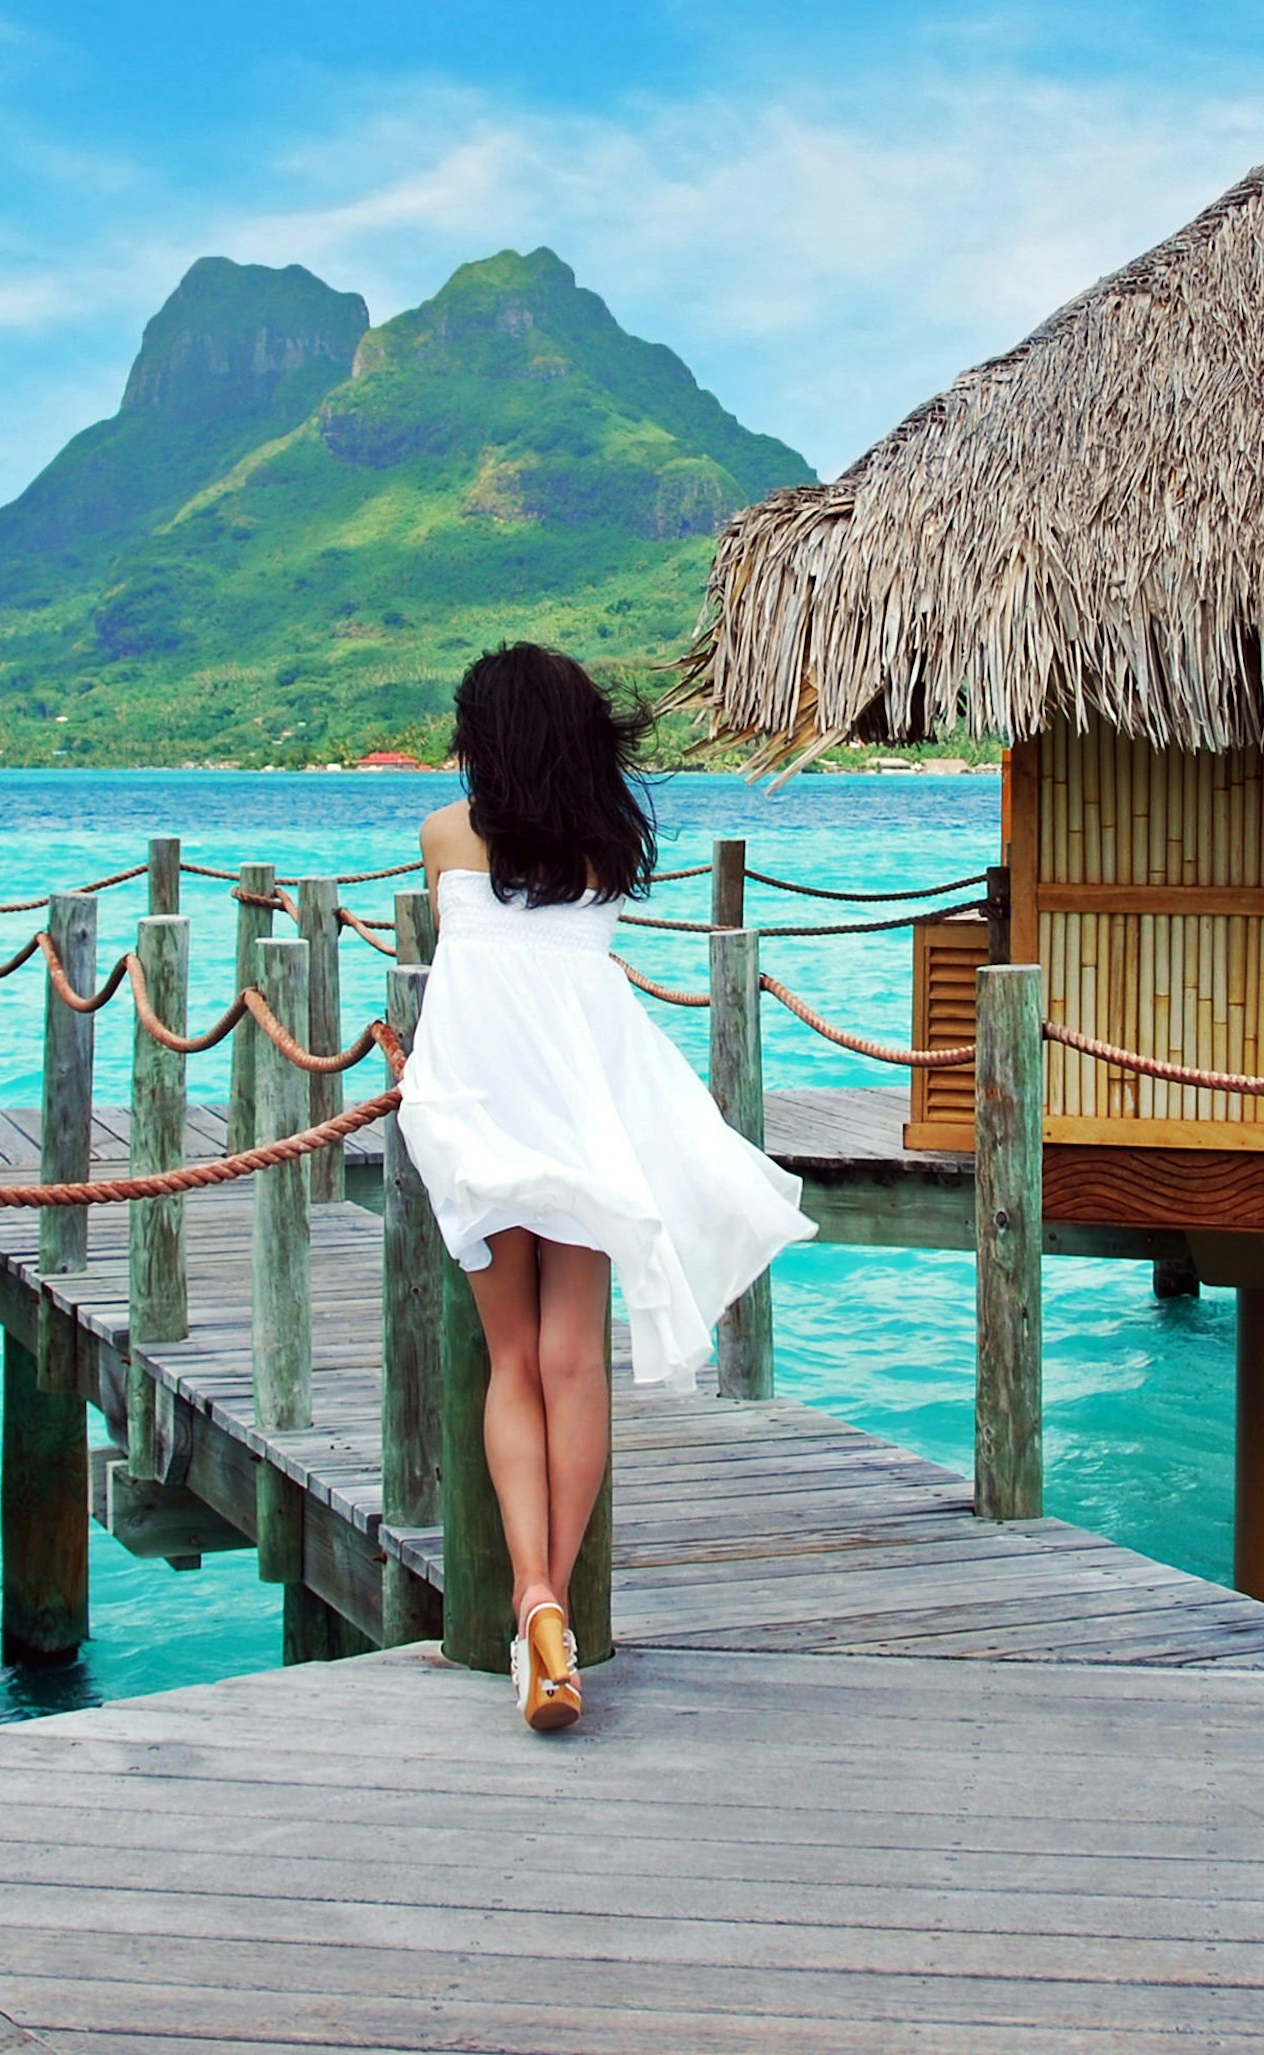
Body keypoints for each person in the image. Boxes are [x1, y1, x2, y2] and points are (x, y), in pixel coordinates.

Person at [395, 643, 811, 1732]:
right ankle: (556, 1605)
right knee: (574, 1362)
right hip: (579, 1115)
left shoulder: (446, 837)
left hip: (473, 1111)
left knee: (512, 1363)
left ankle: (521, 1587)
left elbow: (470, 928)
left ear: (486, 737)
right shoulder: (605, 848)